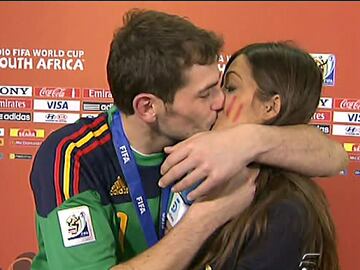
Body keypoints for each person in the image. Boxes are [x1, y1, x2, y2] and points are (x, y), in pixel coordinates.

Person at [30, 9, 346, 270]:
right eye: (206, 93)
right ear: (148, 107)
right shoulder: (74, 156)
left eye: (223, 86)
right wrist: (205, 218)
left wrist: (249, 139)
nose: (220, 101)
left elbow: (332, 156)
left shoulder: (207, 133)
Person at [185, 42, 339, 269]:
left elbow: (336, 156)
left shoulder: (285, 212)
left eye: (230, 88)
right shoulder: (220, 179)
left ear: (270, 107)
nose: (217, 101)